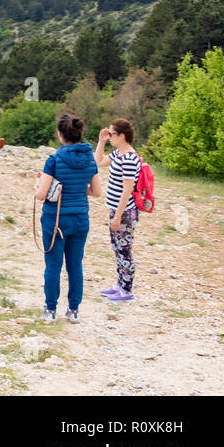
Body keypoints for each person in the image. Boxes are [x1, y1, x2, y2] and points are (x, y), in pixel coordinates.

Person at [35, 113, 102, 322]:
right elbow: (96, 192)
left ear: (60, 134)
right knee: (75, 265)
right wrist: (77, 189)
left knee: (53, 265)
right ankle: (73, 310)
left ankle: (50, 310)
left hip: (55, 221)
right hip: (80, 219)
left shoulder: (53, 160)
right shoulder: (89, 159)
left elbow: (41, 194)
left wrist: (35, 187)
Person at [94, 118, 141, 302]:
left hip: (125, 213)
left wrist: (118, 216)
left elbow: (127, 190)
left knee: (124, 250)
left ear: (122, 136)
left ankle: (127, 290)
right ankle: (120, 285)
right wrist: (101, 141)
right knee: (117, 249)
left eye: (112, 134)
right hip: (116, 210)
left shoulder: (129, 158)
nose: (110, 136)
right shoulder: (118, 154)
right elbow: (98, 161)